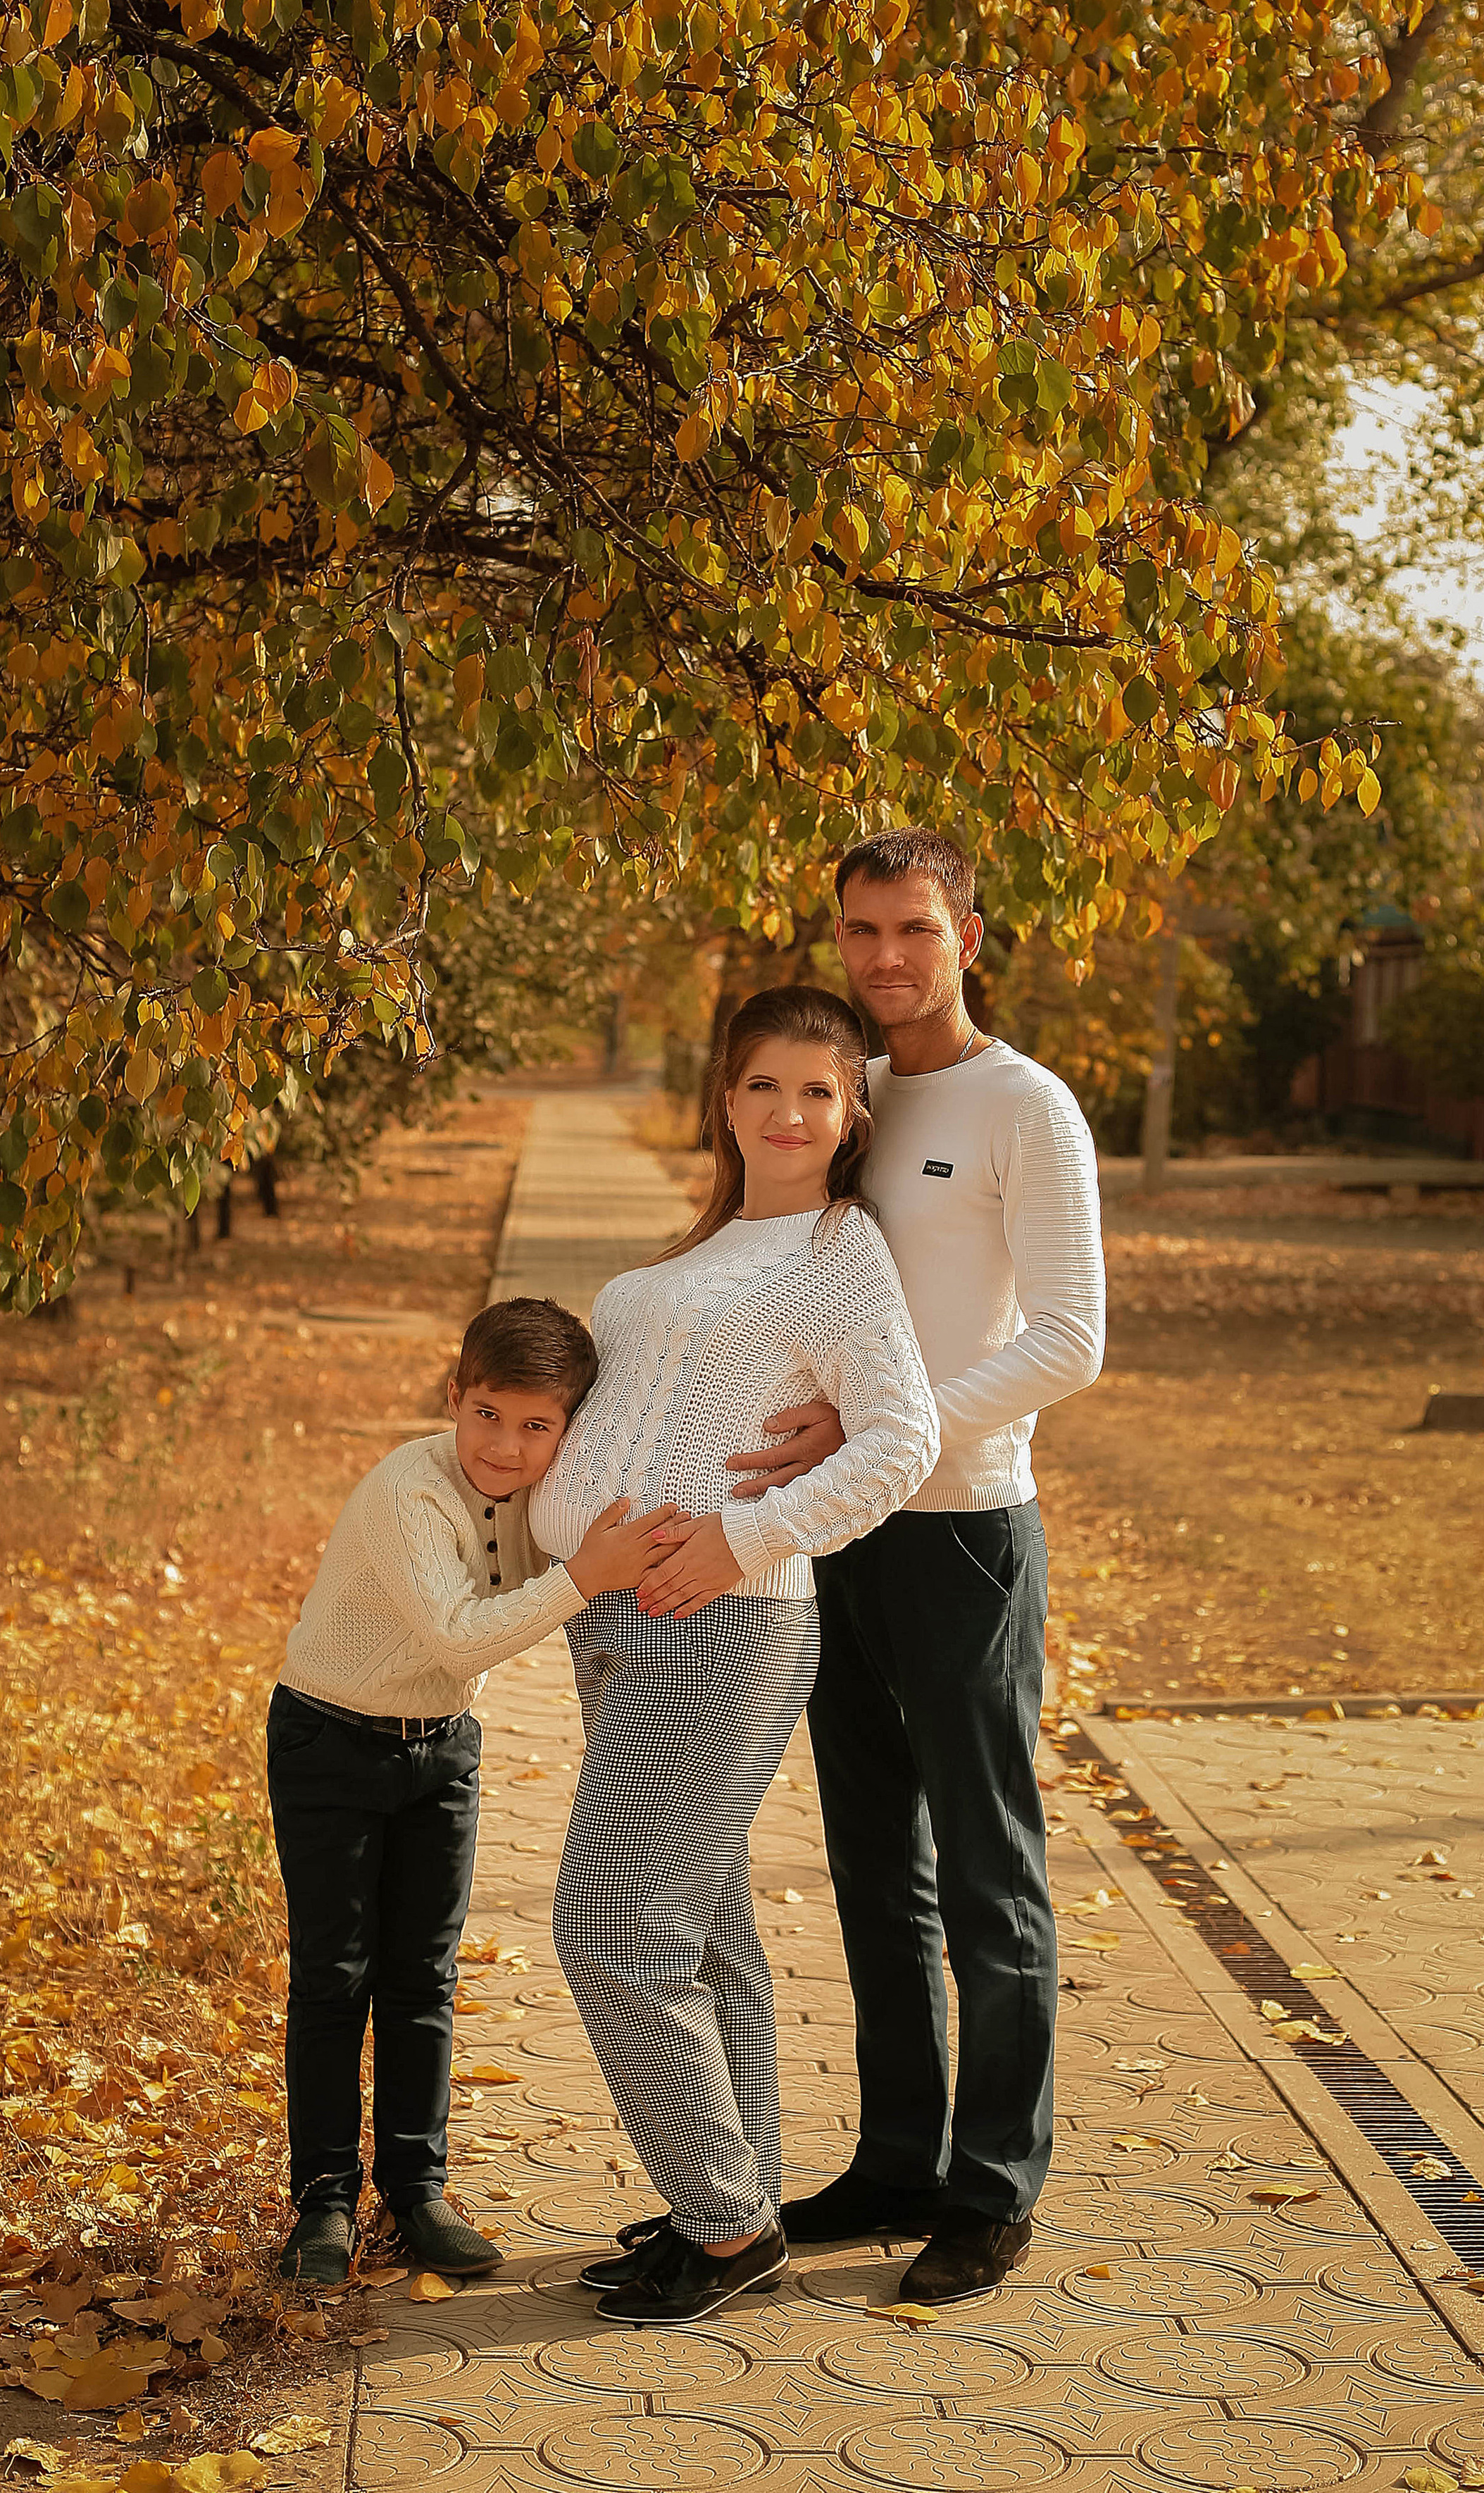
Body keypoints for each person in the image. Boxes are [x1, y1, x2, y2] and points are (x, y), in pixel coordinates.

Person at [528, 984, 940, 2332]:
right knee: (698, 1923)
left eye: (818, 1091)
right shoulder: (685, 1259)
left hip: (725, 1622)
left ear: (850, 1114)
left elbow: (898, 1441)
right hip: (616, 1627)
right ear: (727, 1098)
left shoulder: (838, 1252)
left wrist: (745, 1539)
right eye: (765, 1085)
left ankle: (722, 2227)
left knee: (610, 1921)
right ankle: (739, 2194)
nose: (789, 1111)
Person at [730, 829, 1105, 2306]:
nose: (882, 957)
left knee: (988, 1877)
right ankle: (897, 2158)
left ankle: (994, 2188)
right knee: (873, 1863)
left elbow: (1067, 1343)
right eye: (858, 931)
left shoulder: (1028, 1109)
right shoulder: (849, 1095)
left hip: (959, 1536)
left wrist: (887, 1430)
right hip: (838, 1538)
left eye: (910, 929)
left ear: (967, 930)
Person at [267, 1296, 674, 2287]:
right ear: (456, 1396)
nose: (506, 1445)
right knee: (337, 1976)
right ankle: (322, 2201)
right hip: (330, 1739)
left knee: (425, 1980)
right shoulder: (412, 1490)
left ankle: (417, 2192)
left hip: (442, 1751)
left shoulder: (549, 1492)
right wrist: (585, 1575)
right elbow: (459, 1633)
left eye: (538, 1426)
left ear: (567, 1432)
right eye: (488, 1413)